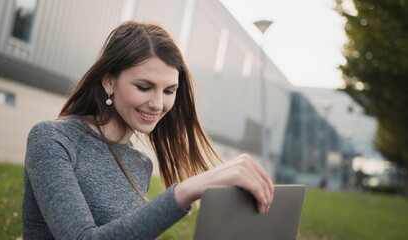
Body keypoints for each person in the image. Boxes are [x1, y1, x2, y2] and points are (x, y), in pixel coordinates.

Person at [22, 21, 274, 240]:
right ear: (109, 81)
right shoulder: (52, 139)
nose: (158, 104)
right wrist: (185, 190)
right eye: (144, 87)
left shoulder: (140, 163)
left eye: (169, 91)